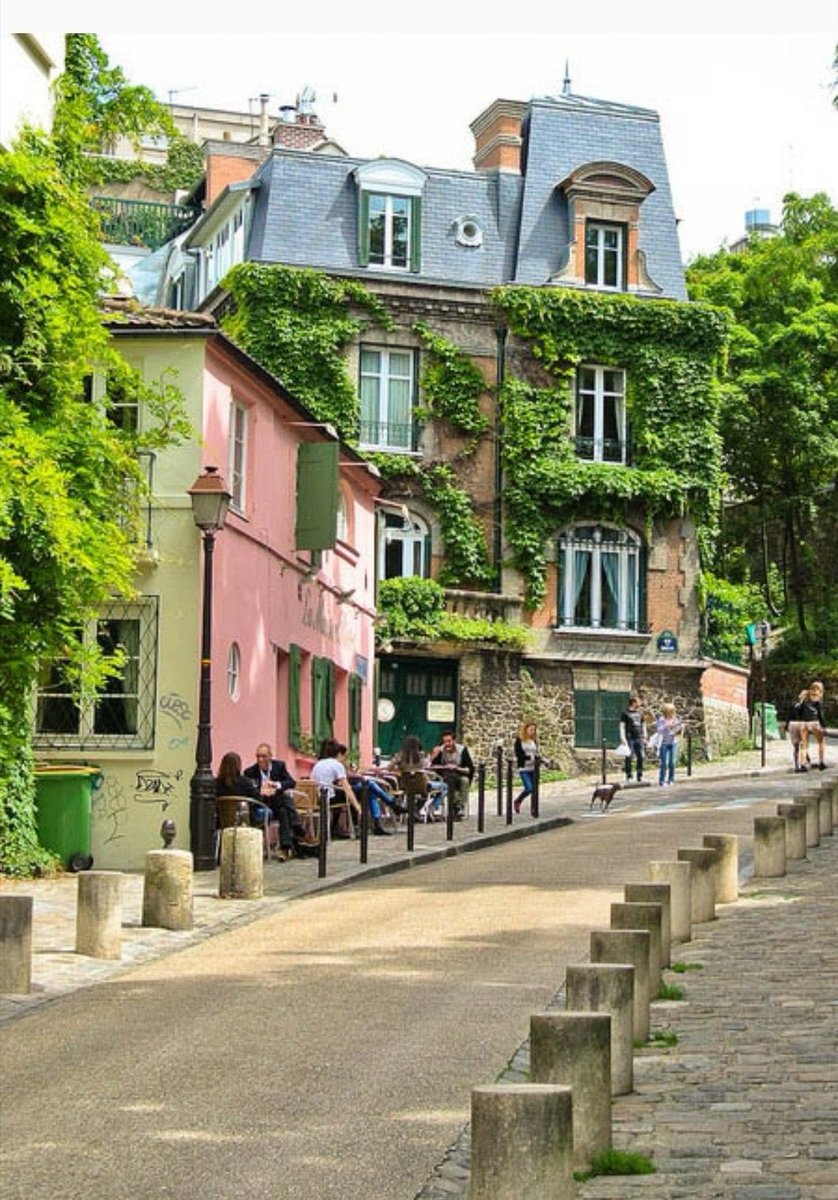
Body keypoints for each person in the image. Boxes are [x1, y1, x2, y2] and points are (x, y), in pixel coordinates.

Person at [244, 743, 317, 858]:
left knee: (284, 810)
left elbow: (291, 782)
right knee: (285, 800)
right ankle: (300, 831)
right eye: (258, 756)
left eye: (263, 756)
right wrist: (261, 791)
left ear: (270, 756)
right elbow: (249, 791)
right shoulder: (250, 772)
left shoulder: (279, 766)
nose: (260, 759)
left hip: (277, 804)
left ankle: (285, 849)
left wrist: (276, 785)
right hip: (261, 804)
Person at [310, 739, 362, 838]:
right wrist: (357, 807)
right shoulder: (337, 765)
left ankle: (335, 828)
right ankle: (355, 826)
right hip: (327, 797)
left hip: (315, 797)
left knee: (338, 794)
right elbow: (346, 787)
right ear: (338, 754)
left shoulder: (318, 763)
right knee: (357, 791)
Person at [430, 730, 474, 820]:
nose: (447, 744)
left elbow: (470, 768)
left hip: (459, 774)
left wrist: (457, 768)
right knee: (450, 781)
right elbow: (433, 766)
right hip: (445, 777)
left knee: (465, 781)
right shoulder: (440, 751)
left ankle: (460, 806)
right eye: (445, 742)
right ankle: (457, 807)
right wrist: (436, 757)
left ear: (454, 741)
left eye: (449, 741)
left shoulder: (462, 750)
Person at [796, 681, 828, 771]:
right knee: (821, 742)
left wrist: (800, 700)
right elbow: (820, 715)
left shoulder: (805, 700)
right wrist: (824, 726)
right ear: (821, 691)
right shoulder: (818, 701)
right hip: (814, 723)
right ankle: (821, 762)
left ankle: (802, 764)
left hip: (804, 724)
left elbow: (799, 712)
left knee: (804, 745)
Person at [620, 695, 647, 784]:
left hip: (639, 737)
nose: (640, 703)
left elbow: (643, 724)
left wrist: (645, 735)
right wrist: (623, 737)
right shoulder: (625, 713)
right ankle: (629, 776)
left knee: (641, 756)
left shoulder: (640, 713)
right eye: (638, 702)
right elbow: (622, 726)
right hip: (629, 737)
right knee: (629, 756)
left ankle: (640, 775)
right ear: (634, 702)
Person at [513, 722, 539, 813]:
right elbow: (518, 754)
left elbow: (536, 753)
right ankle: (518, 800)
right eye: (531, 730)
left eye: (534, 730)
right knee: (529, 788)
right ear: (525, 730)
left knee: (535, 790)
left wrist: (542, 759)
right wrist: (529, 758)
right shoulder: (519, 740)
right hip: (524, 768)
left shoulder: (533, 741)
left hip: (534, 768)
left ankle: (534, 809)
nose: (533, 732)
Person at [655, 703, 681, 787]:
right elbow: (659, 730)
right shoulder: (661, 719)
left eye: (672, 711)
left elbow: (678, 729)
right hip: (664, 743)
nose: (671, 713)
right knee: (664, 763)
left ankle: (671, 779)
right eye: (669, 711)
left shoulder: (675, 719)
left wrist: (678, 728)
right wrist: (667, 725)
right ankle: (662, 780)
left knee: (672, 762)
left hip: (673, 743)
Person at [786, 690, 810, 773]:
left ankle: (796, 766)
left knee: (796, 747)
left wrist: (786, 727)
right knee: (803, 745)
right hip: (802, 724)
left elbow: (788, 716)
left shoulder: (793, 704)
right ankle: (803, 764)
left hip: (792, 724)